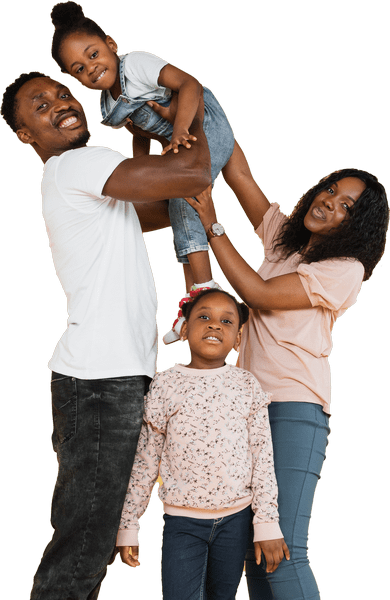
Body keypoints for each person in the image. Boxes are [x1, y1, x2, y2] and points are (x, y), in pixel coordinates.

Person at [0, 71, 210, 600]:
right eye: (40, 106)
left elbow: (165, 206)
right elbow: (194, 173)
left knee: (91, 542)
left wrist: (159, 151)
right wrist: (191, 111)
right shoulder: (80, 164)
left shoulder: (78, 179)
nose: (62, 105)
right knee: (84, 546)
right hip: (101, 381)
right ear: (26, 135)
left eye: (63, 93)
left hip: (109, 378)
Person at [182, 146, 389, 599]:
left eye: (346, 206)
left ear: (357, 226)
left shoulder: (343, 269)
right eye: (330, 190)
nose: (329, 202)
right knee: (257, 552)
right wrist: (195, 110)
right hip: (248, 412)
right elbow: (237, 171)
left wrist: (212, 224)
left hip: (294, 410)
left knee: (283, 550)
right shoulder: (287, 243)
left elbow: (259, 293)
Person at [49, 1, 259, 344]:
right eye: (79, 69)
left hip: (204, 124)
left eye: (93, 54)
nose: (91, 68)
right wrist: (145, 174)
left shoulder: (136, 64)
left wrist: (178, 129)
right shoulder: (109, 105)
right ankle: (192, 300)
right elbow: (140, 135)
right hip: (179, 147)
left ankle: (204, 291)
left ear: (111, 44)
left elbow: (190, 85)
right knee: (179, 210)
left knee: (185, 195)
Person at [116, 288, 290, 600]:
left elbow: (262, 456)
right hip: (182, 523)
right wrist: (128, 524)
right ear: (184, 328)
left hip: (236, 521)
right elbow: (145, 459)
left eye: (226, 321)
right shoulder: (166, 384)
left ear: (237, 338)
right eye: (204, 317)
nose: (214, 325)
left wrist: (267, 523)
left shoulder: (246, 385)